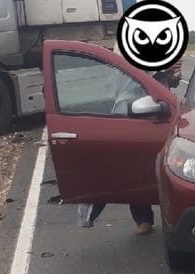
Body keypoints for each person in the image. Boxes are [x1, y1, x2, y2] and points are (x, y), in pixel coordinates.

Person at [77, 62, 181, 235]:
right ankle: (142, 218)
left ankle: (166, 217)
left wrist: (173, 74)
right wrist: (165, 68)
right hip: (131, 111)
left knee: (168, 164)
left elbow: (170, 82)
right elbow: (137, 72)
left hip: (160, 111)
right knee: (130, 166)